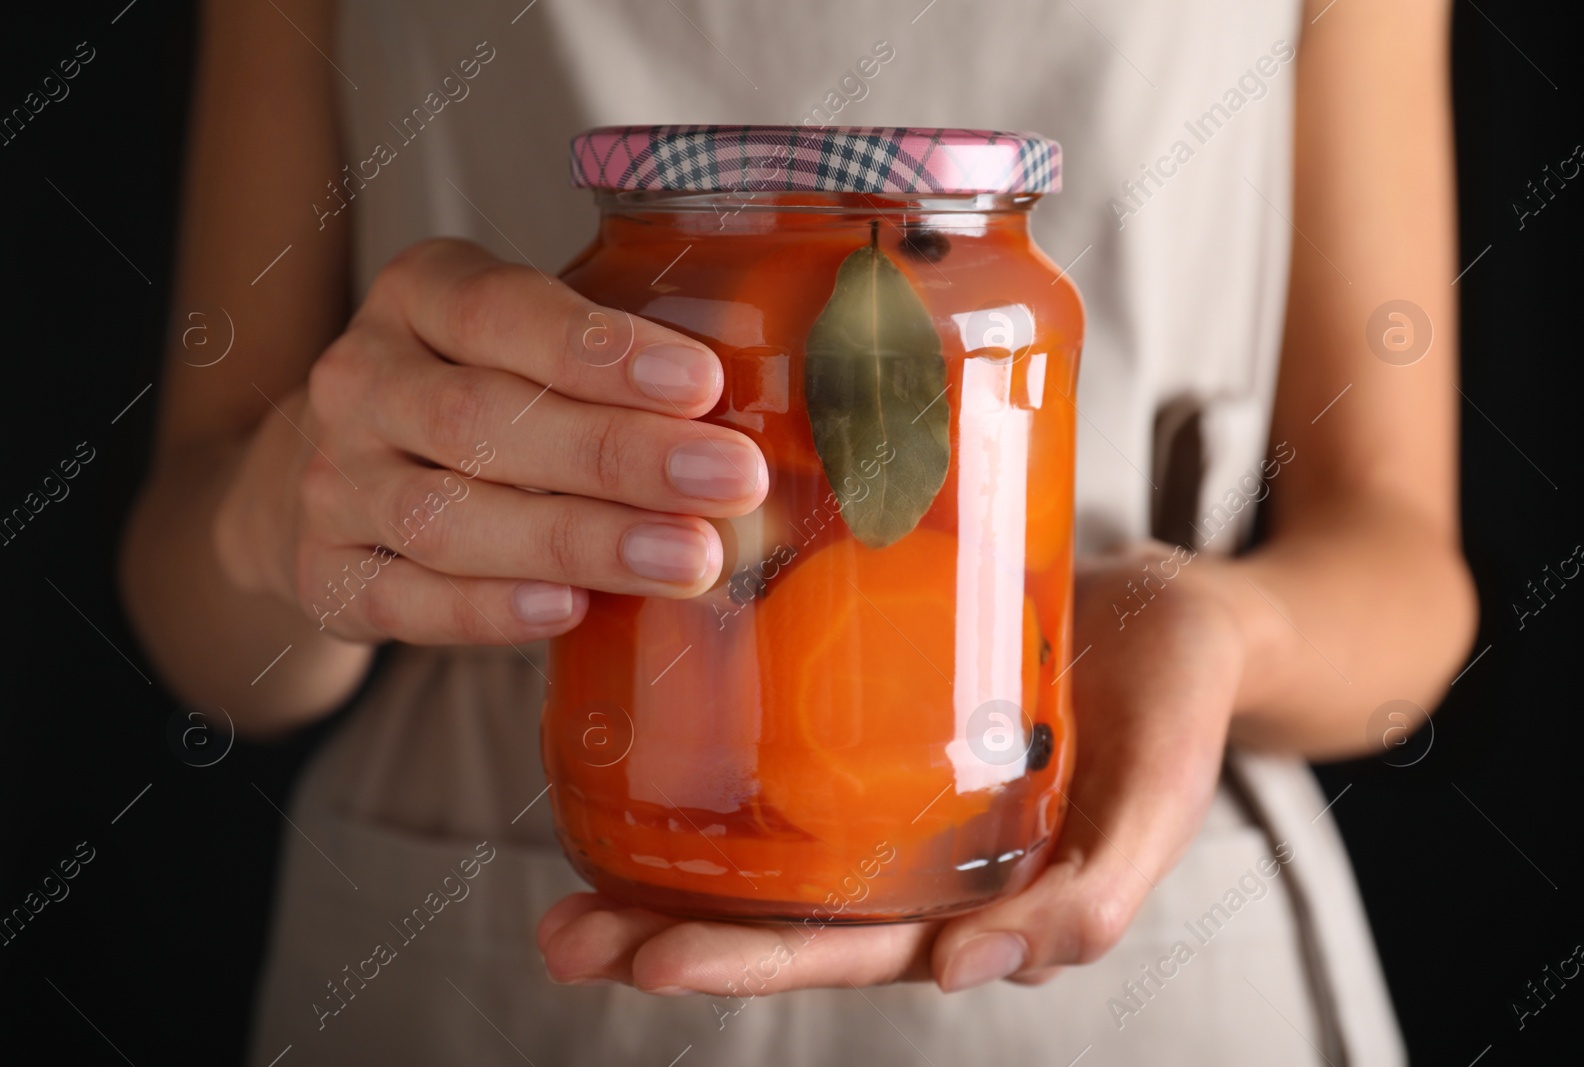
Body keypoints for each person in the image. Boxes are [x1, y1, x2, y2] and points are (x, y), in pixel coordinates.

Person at [120, 0, 1473, 1063]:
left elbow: (1406, 574)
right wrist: (284, 514)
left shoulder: (1008, 292)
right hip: (463, 940)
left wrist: (1215, 625)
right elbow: (202, 622)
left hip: (1136, 915)